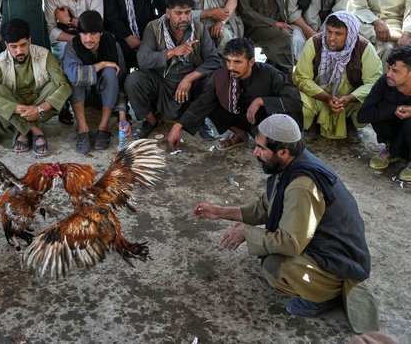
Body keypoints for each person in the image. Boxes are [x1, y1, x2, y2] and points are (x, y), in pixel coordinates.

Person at [194, 114, 378, 334]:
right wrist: (221, 212)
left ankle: (326, 295)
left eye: (261, 148)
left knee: (274, 265)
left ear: (283, 151)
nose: (255, 153)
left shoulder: (302, 185)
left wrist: (247, 233)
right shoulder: (291, 164)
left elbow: (290, 243)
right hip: (324, 247)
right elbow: (266, 207)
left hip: (336, 260)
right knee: (267, 252)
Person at [167, 38, 302, 151]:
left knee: (274, 148)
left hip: (263, 121)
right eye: (228, 61)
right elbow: (204, 101)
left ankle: (261, 137)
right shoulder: (222, 76)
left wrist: (261, 101)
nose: (231, 67)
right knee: (208, 97)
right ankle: (240, 134)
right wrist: (178, 126)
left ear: (251, 62)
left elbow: (295, 102)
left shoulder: (270, 74)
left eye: (237, 62)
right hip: (239, 117)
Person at [125, 0, 222, 141]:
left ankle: (199, 119)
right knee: (133, 80)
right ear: (168, 13)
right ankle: (150, 121)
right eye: (178, 13)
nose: (184, 17)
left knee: (214, 80)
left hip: (191, 86)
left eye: (188, 12)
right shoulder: (154, 27)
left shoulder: (199, 29)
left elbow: (214, 60)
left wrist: (189, 78)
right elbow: (143, 59)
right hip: (162, 82)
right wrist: (173, 52)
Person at [0, 18, 72, 157]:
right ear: (6, 44)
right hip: (16, 108)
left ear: (30, 41)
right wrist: (18, 108)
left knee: (57, 84)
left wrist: (39, 109)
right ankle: (35, 131)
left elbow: (64, 86)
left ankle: (21, 130)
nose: (19, 51)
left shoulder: (44, 55)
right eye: (14, 47)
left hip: (40, 105)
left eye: (23, 45)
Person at [292, 11, 382, 141]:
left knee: (373, 102)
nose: (331, 37)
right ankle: (311, 124)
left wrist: (349, 98)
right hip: (319, 96)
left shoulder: (364, 48)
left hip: (349, 102)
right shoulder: (314, 43)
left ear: (350, 34)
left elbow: (374, 82)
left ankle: (350, 124)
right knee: (299, 101)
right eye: (329, 31)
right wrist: (327, 97)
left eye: (338, 34)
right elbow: (301, 78)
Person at [44, 0, 103, 126]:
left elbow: (97, 24)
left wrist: (70, 20)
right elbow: (50, 29)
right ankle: (64, 106)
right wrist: (75, 40)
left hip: (93, 38)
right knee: (63, 62)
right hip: (65, 40)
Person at [61, 10, 130, 154]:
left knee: (112, 72)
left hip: (106, 96)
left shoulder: (113, 45)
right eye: (84, 33)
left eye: (93, 33)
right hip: (81, 97)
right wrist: (103, 64)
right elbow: (74, 76)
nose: (88, 39)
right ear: (78, 33)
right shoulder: (72, 47)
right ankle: (82, 128)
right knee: (78, 78)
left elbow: (121, 81)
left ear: (101, 33)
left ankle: (103, 127)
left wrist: (122, 115)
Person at [357, 45, 411, 182]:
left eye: (395, 71)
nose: (389, 74)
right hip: (394, 138)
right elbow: (363, 115)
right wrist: (393, 109)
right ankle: (392, 151)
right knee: (380, 110)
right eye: (388, 69)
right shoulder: (384, 83)